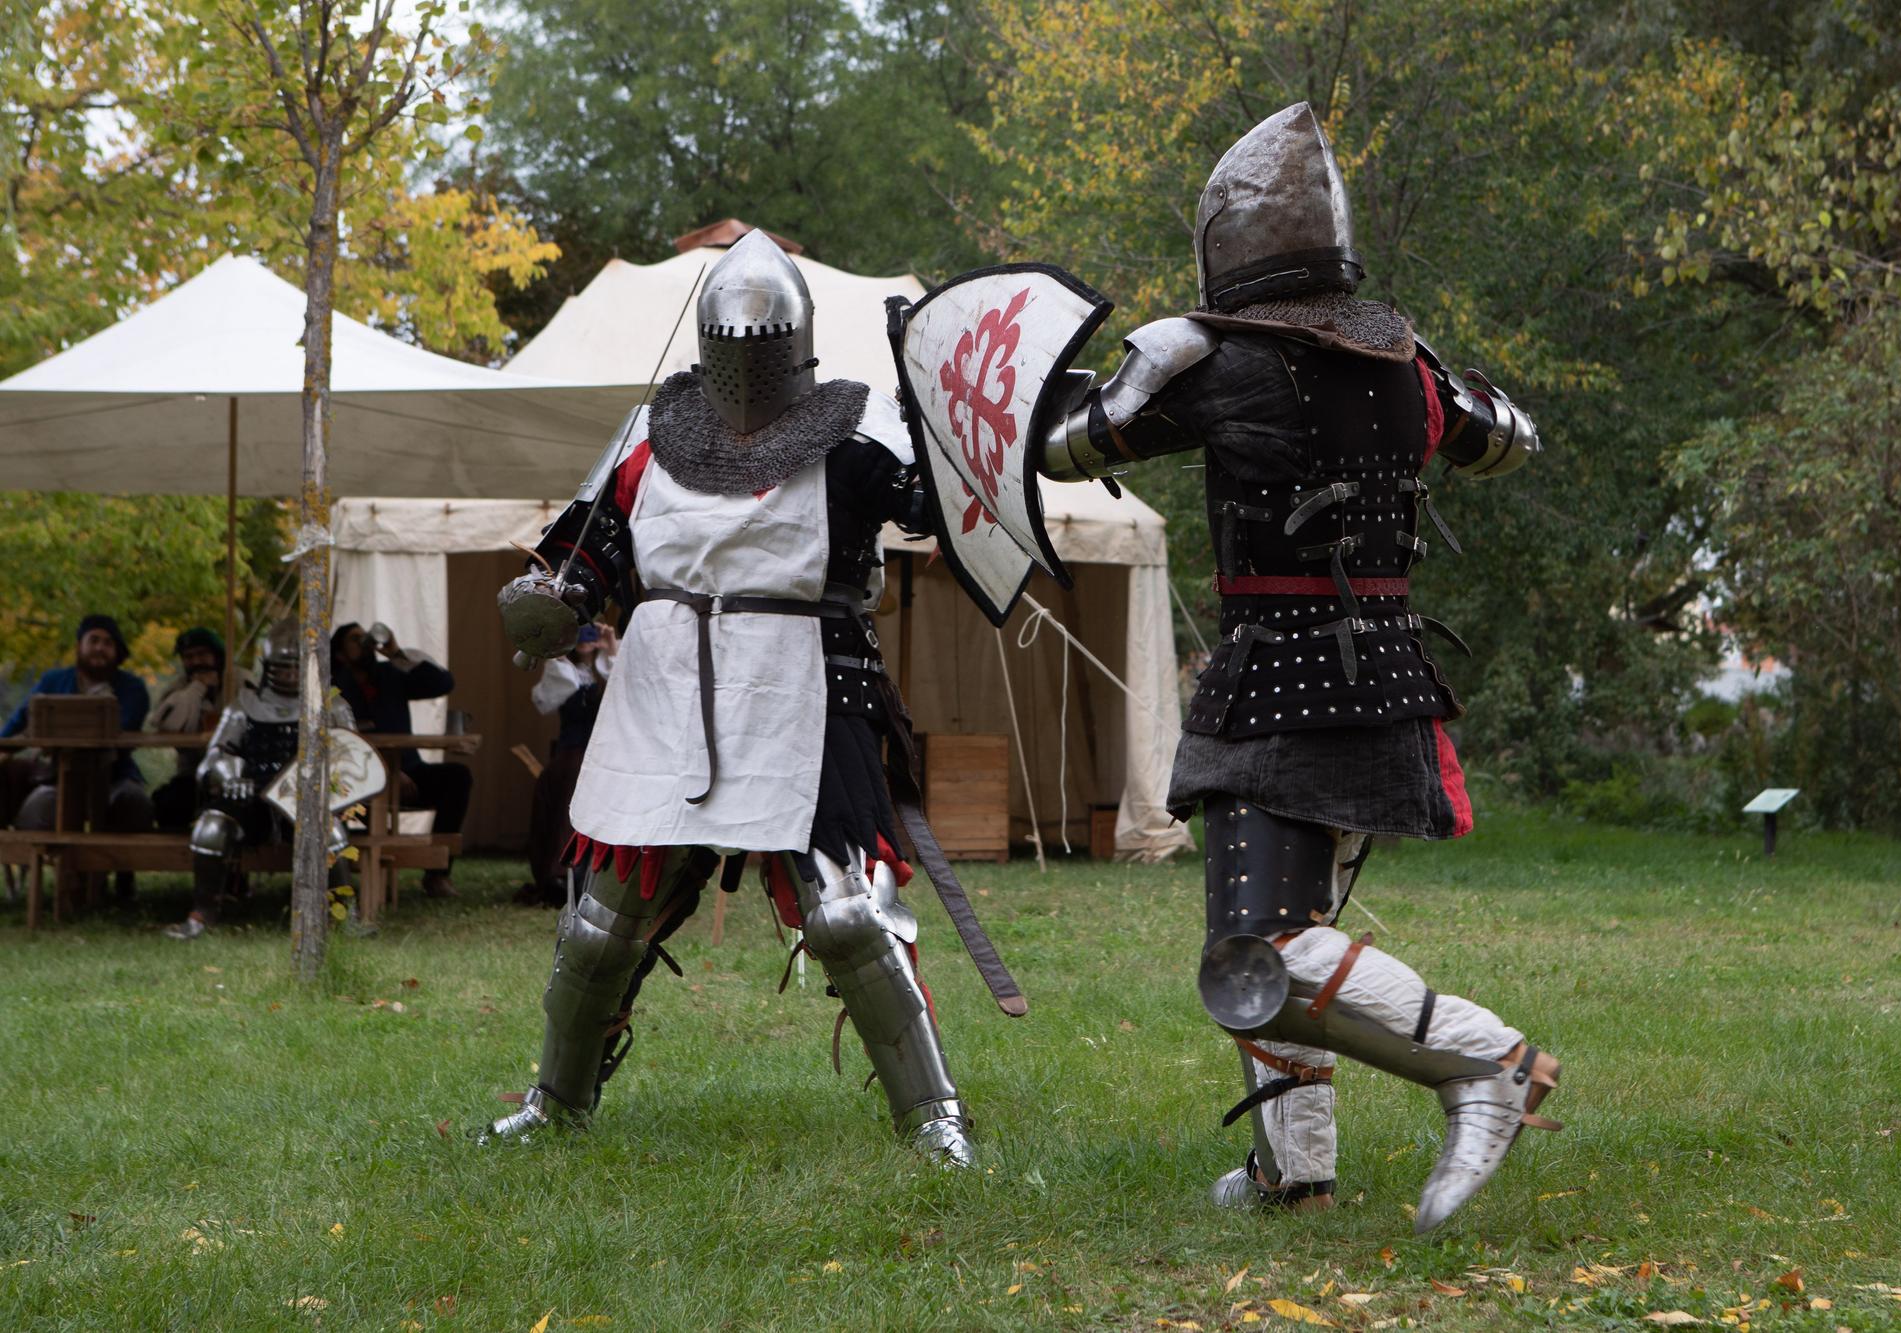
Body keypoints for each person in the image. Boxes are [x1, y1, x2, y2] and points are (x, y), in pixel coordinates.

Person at [1028, 103, 1558, 1231]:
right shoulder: (1404, 362)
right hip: (1381, 674)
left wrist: (981, 387)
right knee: (1274, 917)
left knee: (1256, 941)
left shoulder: (1216, 360)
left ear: (1230, 243)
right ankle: (1291, 1174)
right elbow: (1506, 436)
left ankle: (1485, 1064)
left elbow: (1065, 444)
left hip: (1282, 681)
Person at [479, 229, 1021, 1167]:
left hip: (807, 687)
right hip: (662, 690)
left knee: (850, 915)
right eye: (733, 348)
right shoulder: (649, 439)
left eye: (762, 350)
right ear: (703, 342)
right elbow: (585, 550)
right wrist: (556, 596)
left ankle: (934, 1120)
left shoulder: (852, 438)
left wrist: (933, 419)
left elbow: (935, 507)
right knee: (598, 925)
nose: (746, 369)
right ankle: (557, 1102)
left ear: (800, 347)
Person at [164, 618, 355, 940]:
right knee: (211, 827)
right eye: (282, 668)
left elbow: (351, 758)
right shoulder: (244, 707)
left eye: (296, 668)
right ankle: (202, 914)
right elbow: (213, 757)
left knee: (331, 831)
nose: (290, 675)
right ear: (268, 667)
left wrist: (325, 786)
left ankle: (345, 918)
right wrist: (229, 776)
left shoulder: (332, 706)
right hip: (252, 794)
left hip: (307, 797)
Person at [4, 616, 154, 901]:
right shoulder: (53, 680)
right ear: (80, 646)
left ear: (117, 651)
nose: (100, 648)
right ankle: (68, 882)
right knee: (38, 812)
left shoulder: (132, 687)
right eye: (94, 640)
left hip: (115, 774)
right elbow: (21, 719)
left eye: (108, 643)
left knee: (135, 805)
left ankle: (122, 876)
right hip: (59, 776)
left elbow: (120, 729)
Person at [330, 620, 469, 898]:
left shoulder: (389, 674)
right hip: (356, 779)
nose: (364, 642)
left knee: (457, 777)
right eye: (354, 640)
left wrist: (394, 652)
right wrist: (386, 771)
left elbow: (443, 682)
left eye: (364, 637)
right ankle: (338, 876)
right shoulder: (334, 686)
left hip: (407, 772)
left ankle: (437, 874)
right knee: (333, 796)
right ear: (340, 654)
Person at [518, 622, 616, 906]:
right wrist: (557, 655)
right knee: (567, 785)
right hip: (572, 752)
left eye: (590, 634)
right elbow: (544, 701)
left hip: (604, 754)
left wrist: (610, 647)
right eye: (579, 636)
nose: (586, 641)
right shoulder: (564, 671)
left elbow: (630, 689)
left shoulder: (609, 668)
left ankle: (600, 874)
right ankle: (561, 871)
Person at [148, 627, 247, 831]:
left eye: (202, 654)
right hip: (191, 775)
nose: (196, 662)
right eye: (189, 657)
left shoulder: (241, 682)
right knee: (169, 807)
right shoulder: (179, 688)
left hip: (237, 776)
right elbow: (169, 725)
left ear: (217, 656)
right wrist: (197, 688)